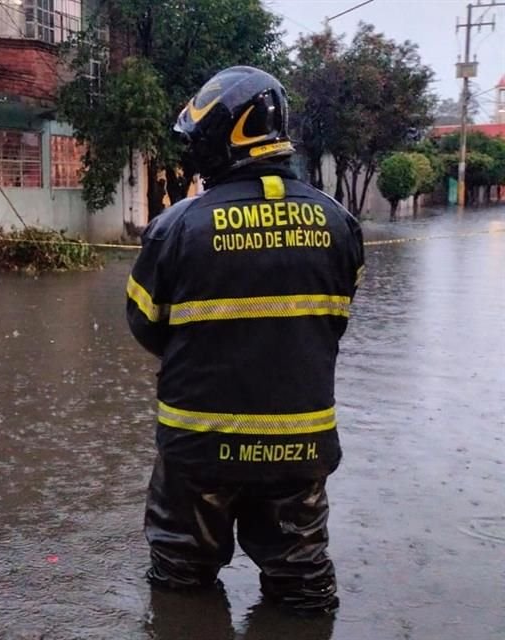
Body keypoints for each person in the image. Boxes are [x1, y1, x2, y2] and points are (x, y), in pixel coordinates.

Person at [126, 66, 365, 616]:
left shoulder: (176, 227)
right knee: (302, 584)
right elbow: (332, 322)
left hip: (198, 446)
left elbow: (144, 324)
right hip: (299, 449)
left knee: (180, 581)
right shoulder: (341, 225)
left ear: (223, 138)